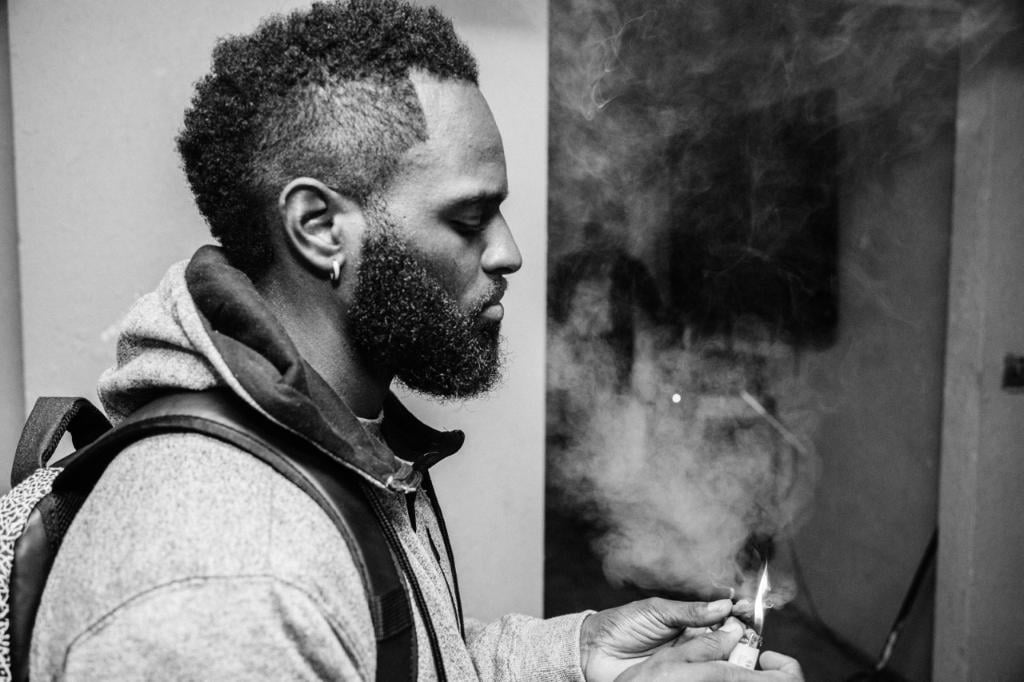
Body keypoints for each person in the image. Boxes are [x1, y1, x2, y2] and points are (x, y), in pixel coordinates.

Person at [30, 1, 804, 680]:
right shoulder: (224, 587)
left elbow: (404, 662)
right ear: (319, 228)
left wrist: (581, 656)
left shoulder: (331, 431)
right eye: (468, 219)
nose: (509, 253)